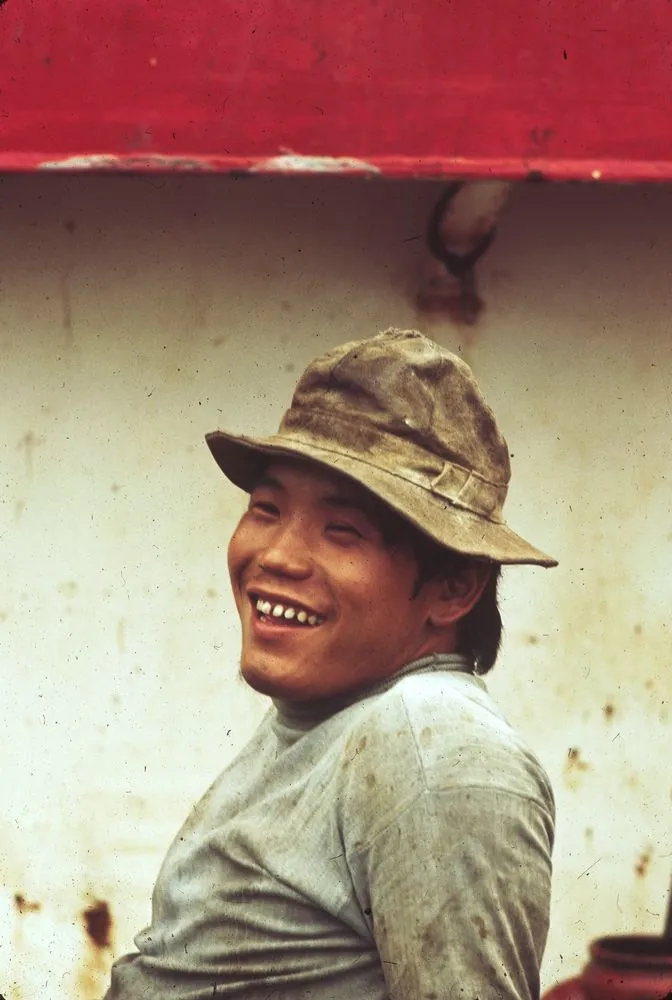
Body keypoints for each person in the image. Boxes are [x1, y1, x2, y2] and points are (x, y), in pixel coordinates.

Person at [105, 328, 557, 1000]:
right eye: (266, 509)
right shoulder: (332, 720)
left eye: (342, 530)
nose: (277, 556)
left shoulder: (433, 742)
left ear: (453, 587)